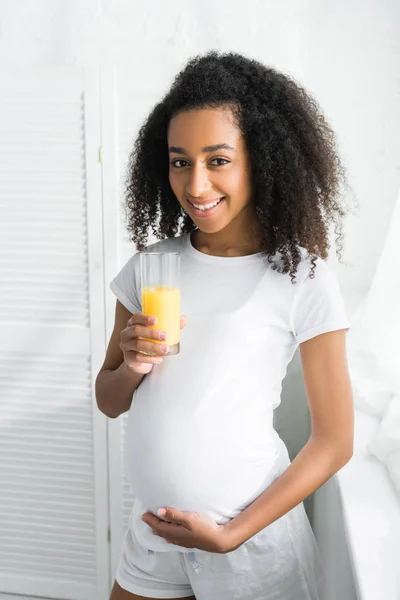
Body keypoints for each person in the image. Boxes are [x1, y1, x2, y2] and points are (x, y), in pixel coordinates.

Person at [95, 50, 355, 600]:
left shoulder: (301, 277)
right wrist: (133, 366)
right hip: (154, 532)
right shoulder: (149, 268)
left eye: (218, 160)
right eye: (179, 161)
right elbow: (109, 399)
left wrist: (232, 535)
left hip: (250, 543)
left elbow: (335, 441)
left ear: (260, 159)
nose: (196, 184)